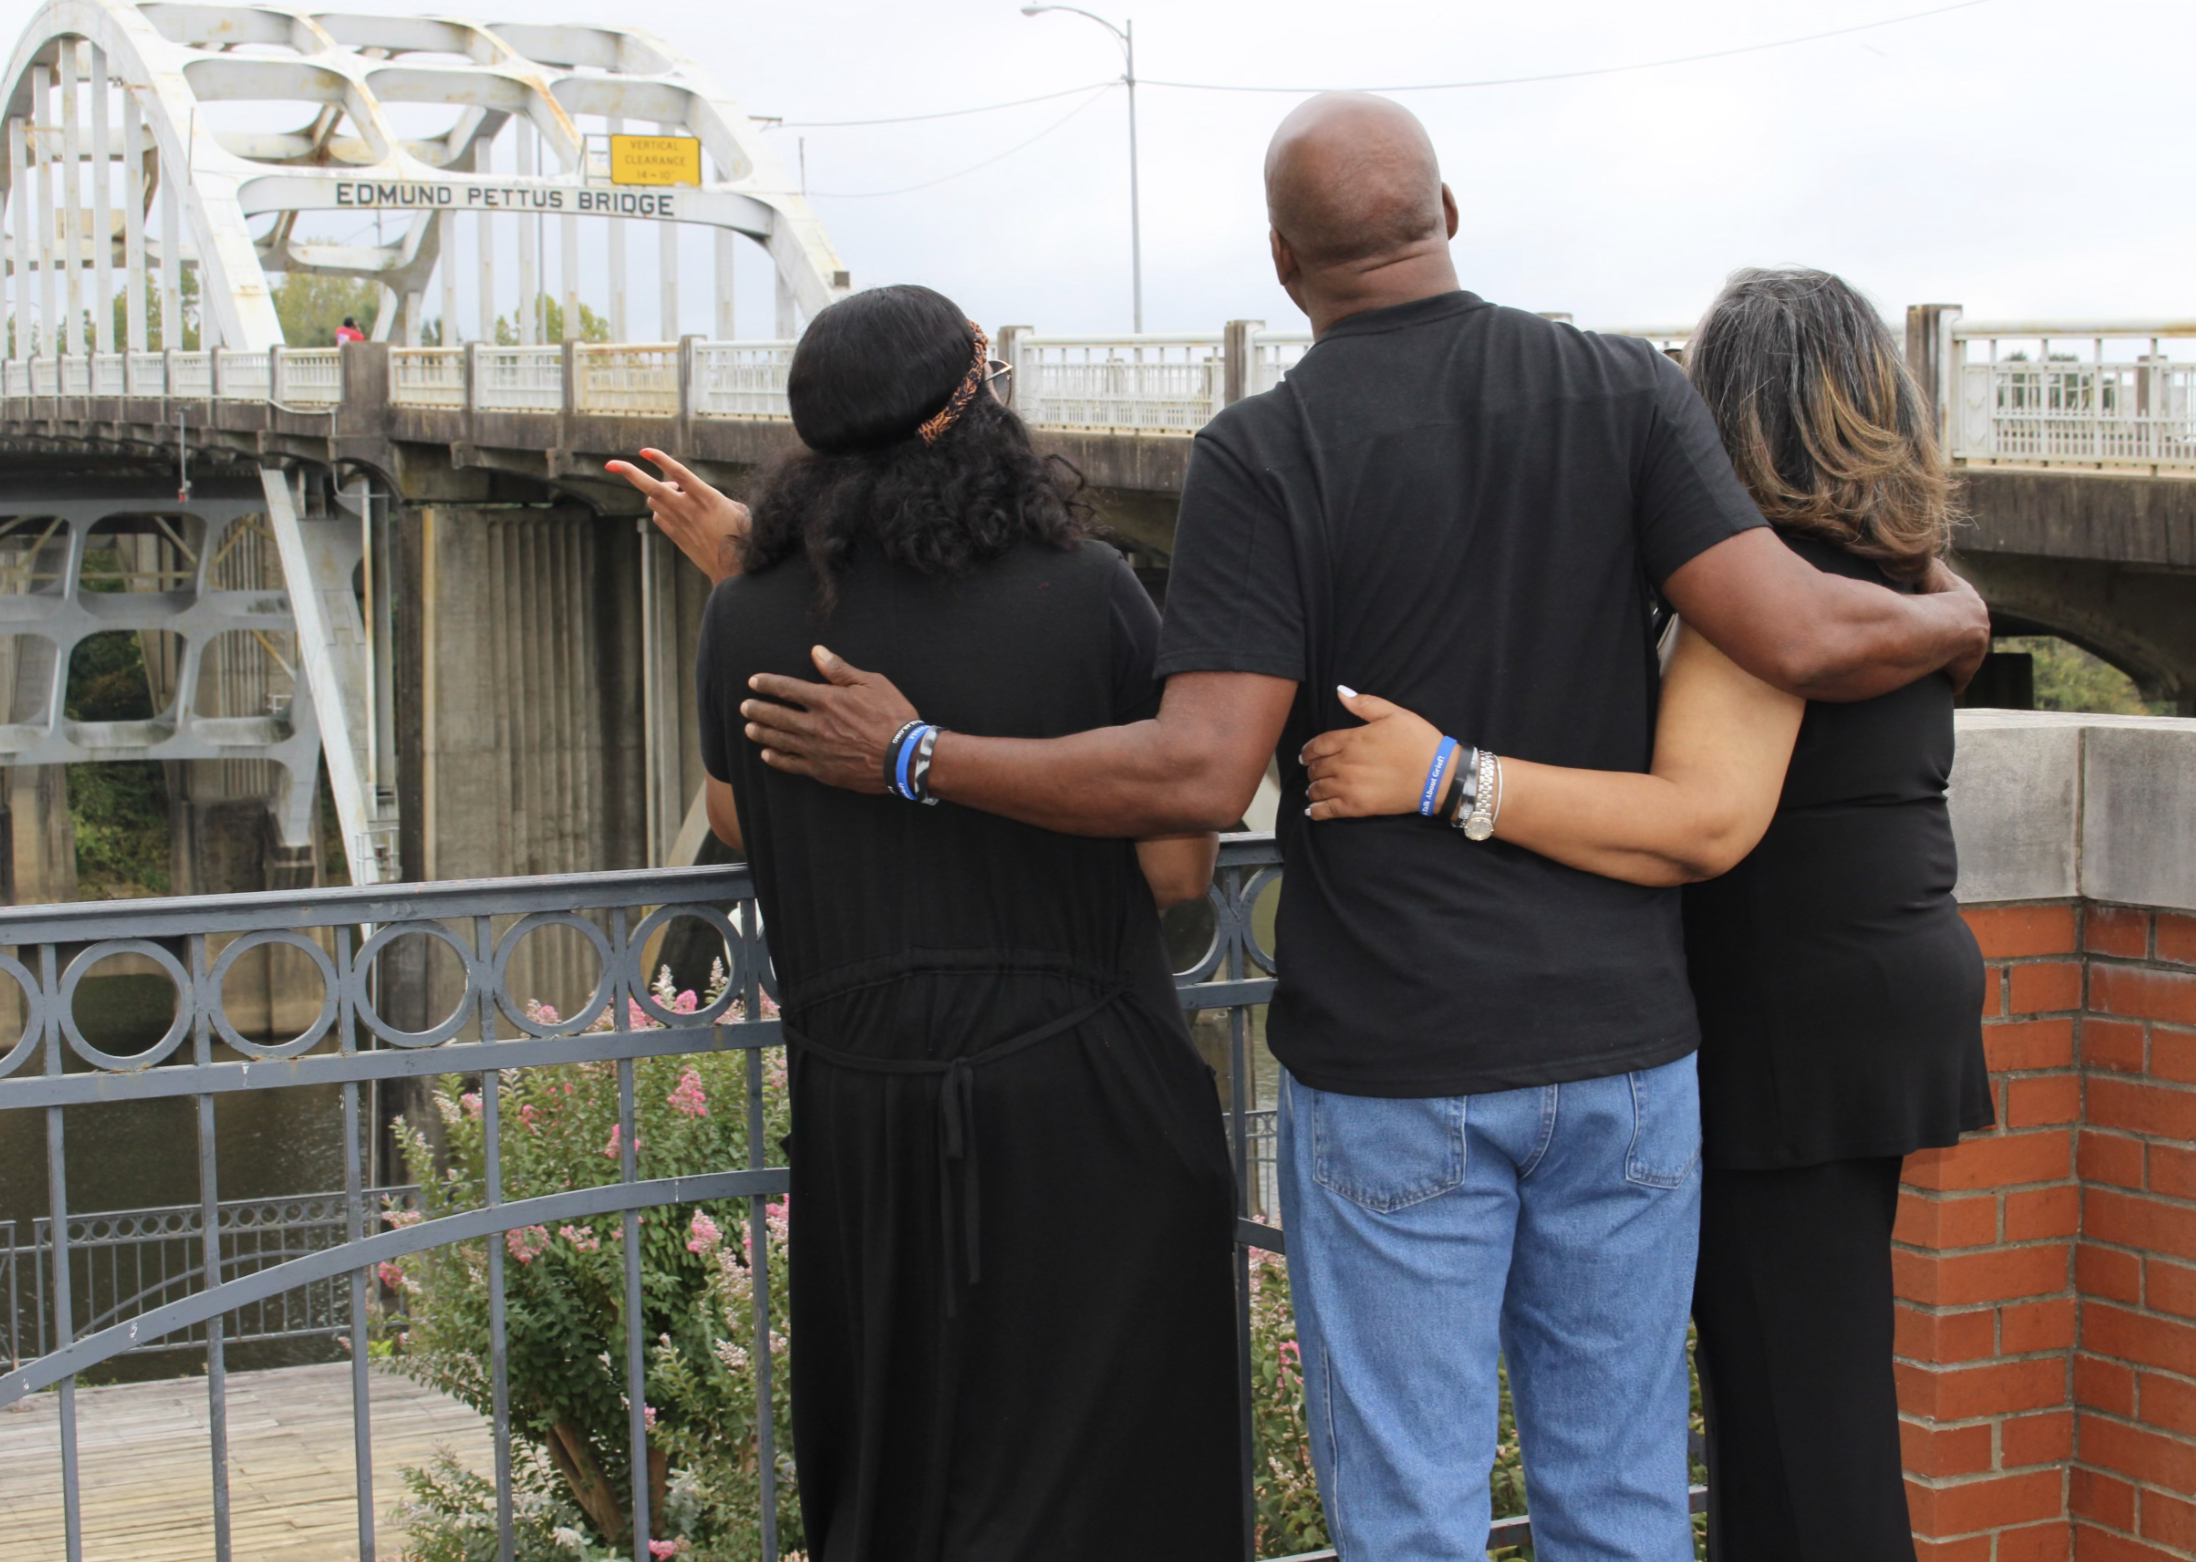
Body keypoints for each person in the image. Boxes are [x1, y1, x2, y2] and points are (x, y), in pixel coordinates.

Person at [731, 96, 1990, 1562]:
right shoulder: (1623, 392)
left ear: (1281, 263)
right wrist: (1950, 609)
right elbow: (1797, 631)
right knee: (1624, 1500)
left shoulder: (1265, 453)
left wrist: (914, 753)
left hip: (1398, 1058)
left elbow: (1199, 772)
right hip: (1627, 1055)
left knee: (1413, 1519)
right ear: (1447, 214)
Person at [1301, 268, 1991, 1562]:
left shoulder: (1770, 602)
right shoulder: (1893, 583)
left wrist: (1453, 775)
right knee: (1812, 1392)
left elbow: (1704, 821)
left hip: (1787, 1029)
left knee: (1800, 1421)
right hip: (1882, 995)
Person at [607, 285, 1245, 1562]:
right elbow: (1176, 867)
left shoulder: (746, 610)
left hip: (866, 1108)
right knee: (1118, 1480)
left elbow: (739, 816)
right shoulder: (1092, 594)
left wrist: (753, 574)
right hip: (1084, 1093)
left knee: (905, 1476)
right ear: (976, 403)